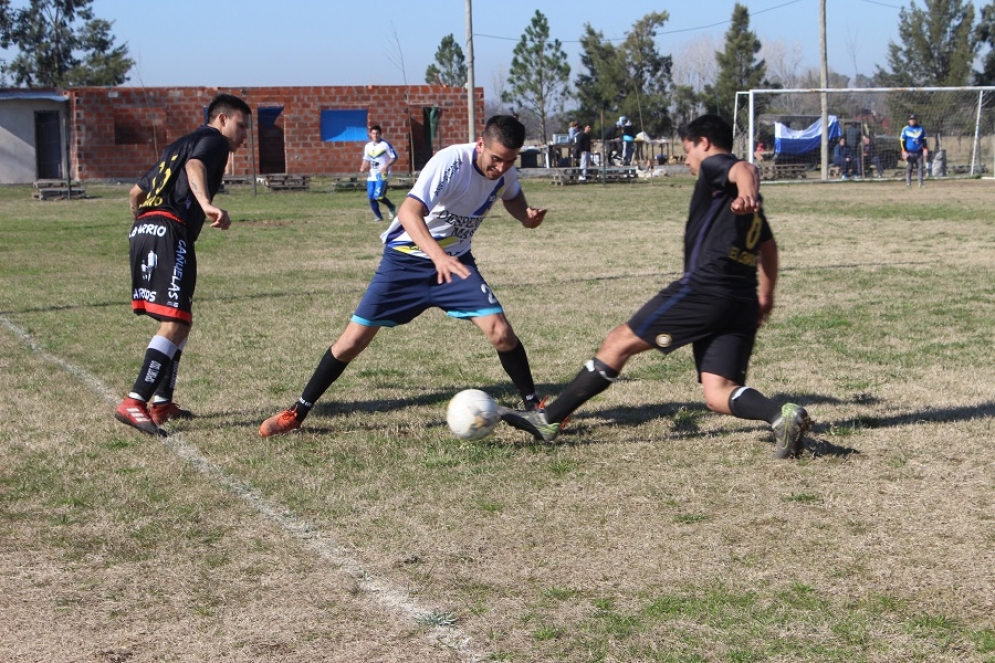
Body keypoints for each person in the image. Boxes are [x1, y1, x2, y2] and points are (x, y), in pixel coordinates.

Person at [501, 114, 812, 459]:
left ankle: (548, 419)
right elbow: (767, 246)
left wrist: (749, 192)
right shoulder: (740, 201)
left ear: (703, 143)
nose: (687, 160)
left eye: (687, 151)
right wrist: (765, 295)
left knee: (618, 342)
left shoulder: (716, 168)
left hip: (705, 289)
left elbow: (745, 170)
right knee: (718, 391)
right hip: (741, 301)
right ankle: (779, 416)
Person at [260, 115, 548, 437]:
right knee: (351, 342)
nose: (501, 168)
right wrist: (436, 255)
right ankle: (297, 412)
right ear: (480, 144)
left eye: (509, 161)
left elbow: (511, 193)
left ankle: (535, 409)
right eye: (496, 159)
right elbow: (408, 212)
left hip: (454, 264)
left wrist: (525, 216)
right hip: (405, 261)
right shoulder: (450, 162)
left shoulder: (505, 169)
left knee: (501, 332)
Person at [114, 93, 251, 436]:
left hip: (146, 227)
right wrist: (205, 204)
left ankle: (162, 402)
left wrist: (141, 223)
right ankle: (135, 400)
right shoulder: (214, 141)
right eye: (241, 125)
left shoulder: (178, 144)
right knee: (174, 321)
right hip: (170, 229)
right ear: (221, 119)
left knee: (180, 320)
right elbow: (195, 167)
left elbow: (135, 193)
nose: (244, 134)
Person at [360, 125, 398, 222]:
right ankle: (378, 217)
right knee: (371, 197)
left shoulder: (385, 145)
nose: (375, 135)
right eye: (373, 133)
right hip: (372, 174)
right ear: (370, 134)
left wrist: (386, 166)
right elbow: (366, 159)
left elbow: (394, 157)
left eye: (377, 133)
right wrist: (363, 166)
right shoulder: (367, 146)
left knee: (379, 196)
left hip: (383, 174)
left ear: (380, 134)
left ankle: (391, 206)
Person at [900, 113, 928, 188]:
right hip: (909, 153)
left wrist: (925, 149)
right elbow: (902, 141)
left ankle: (920, 183)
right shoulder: (905, 129)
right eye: (911, 120)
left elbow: (924, 140)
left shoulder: (921, 129)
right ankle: (908, 184)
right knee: (909, 168)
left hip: (919, 152)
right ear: (909, 121)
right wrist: (904, 151)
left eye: (914, 120)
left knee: (920, 168)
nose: (912, 121)